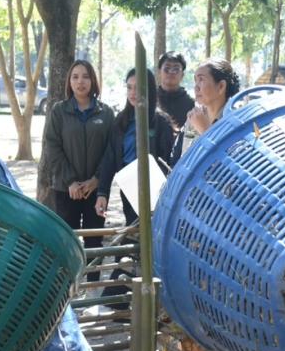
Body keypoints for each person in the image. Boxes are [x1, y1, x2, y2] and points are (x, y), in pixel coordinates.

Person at [43, 59, 115, 248]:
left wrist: (97, 180)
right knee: (67, 243)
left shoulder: (106, 113)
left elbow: (111, 151)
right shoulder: (59, 111)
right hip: (66, 190)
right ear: (69, 82)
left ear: (93, 81)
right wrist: (70, 181)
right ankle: (72, 271)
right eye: (75, 77)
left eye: (85, 77)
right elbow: (53, 147)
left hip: (96, 191)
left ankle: (93, 270)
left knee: (94, 241)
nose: (80, 81)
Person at [96, 68, 177, 224]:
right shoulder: (121, 120)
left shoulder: (161, 122)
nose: (133, 93)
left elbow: (167, 161)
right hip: (128, 186)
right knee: (133, 229)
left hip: (154, 190)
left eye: (138, 88)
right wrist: (102, 193)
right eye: (129, 87)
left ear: (149, 90)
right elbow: (110, 158)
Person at [182, 59, 241, 155]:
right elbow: (184, 157)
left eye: (201, 79)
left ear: (221, 86)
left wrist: (205, 130)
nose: (196, 87)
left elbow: (234, 160)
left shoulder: (236, 121)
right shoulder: (194, 117)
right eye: (195, 81)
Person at [156, 51, 195, 140]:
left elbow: (192, 135)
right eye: (167, 68)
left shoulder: (191, 105)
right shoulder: (150, 100)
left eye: (176, 69)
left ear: (182, 75)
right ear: (159, 72)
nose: (171, 72)